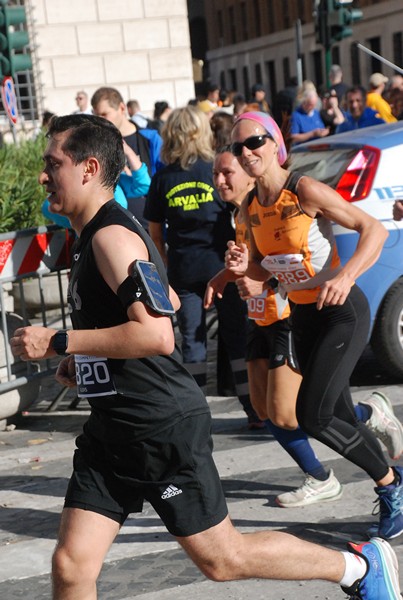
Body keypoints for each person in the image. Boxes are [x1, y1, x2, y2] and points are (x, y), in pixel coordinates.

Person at [10, 112, 401, 600]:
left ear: (89, 168)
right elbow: (168, 301)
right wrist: (88, 361)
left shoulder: (112, 236)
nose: (44, 175)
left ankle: (358, 567)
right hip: (113, 431)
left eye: (53, 163)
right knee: (71, 565)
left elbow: (157, 336)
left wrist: (62, 342)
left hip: (160, 427)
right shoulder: (93, 235)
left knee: (223, 558)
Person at [226, 111, 403, 542]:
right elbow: (264, 269)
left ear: (275, 144)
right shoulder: (249, 209)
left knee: (313, 414)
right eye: (237, 147)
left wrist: (345, 277)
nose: (247, 153)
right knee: (338, 414)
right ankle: (378, 424)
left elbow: (373, 229)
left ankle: (391, 485)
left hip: (343, 312)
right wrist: (239, 268)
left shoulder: (303, 189)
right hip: (302, 316)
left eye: (255, 142)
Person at [206, 146, 343, 507]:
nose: (219, 181)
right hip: (258, 316)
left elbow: (284, 263)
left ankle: (322, 476)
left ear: (251, 172)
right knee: (262, 409)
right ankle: (364, 420)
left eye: (226, 173)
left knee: (285, 412)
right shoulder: (239, 214)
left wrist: (263, 284)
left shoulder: (272, 206)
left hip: (285, 314)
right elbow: (254, 263)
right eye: (216, 174)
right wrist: (225, 275)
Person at [144, 106, 263, 428]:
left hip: (184, 269)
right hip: (222, 266)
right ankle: (252, 410)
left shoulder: (163, 178)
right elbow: (241, 211)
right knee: (236, 338)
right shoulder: (219, 170)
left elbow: (155, 233)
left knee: (193, 342)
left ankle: (197, 413)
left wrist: (166, 265)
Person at [91, 87, 163, 229]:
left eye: (104, 114)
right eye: (96, 116)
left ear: (122, 108)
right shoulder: (95, 146)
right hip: (114, 229)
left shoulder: (150, 139)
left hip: (151, 229)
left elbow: (162, 181)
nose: (100, 121)